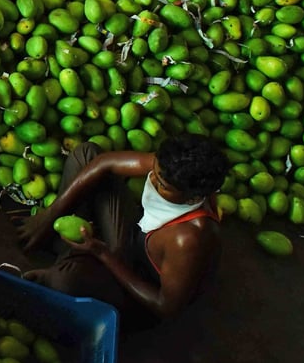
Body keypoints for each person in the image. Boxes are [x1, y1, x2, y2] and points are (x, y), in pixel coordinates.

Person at [15, 134, 228, 329]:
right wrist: (51, 214)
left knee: (66, 282)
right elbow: (105, 163)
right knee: (86, 155)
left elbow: (164, 306)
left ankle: (72, 261)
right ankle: (72, 251)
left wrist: (103, 254)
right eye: (154, 170)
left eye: (161, 184)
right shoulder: (170, 167)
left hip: (137, 288)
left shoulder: (188, 239)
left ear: (192, 198)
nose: (151, 178)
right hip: (134, 240)